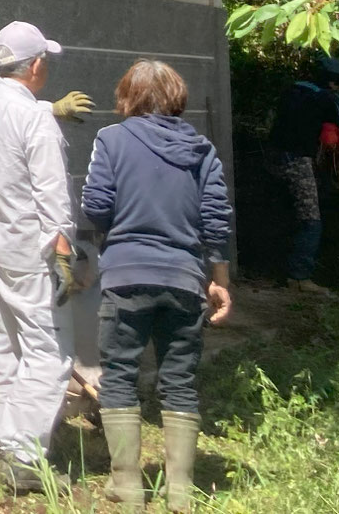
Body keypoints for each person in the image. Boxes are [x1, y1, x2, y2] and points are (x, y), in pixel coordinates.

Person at [81, 60, 233, 510]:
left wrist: (122, 231)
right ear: (176, 98)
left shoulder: (111, 139)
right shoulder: (202, 150)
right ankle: (181, 491)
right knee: (179, 381)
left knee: (120, 376)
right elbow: (216, 219)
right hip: (185, 280)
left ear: (127, 97)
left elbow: (95, 204)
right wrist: (219, 280)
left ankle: (127, 487)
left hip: (126, 276)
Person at [0, 20, 80, 494]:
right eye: (45, 62)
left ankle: (6, 436)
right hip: (32, 249)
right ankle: (23, 456)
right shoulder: (36, 119)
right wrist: (64, 253)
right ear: (35, 65)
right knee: (50, 351)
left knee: (5, 340)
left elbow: (7, 131)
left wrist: (46, 110)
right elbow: (51, 191)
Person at [266, 54, 339, 290]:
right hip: (297, 161)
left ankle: (275, 265)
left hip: (272, 157)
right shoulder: (329, 99)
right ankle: (300, 277)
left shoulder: (291, 90)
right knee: (311, 220)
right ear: (335, 82)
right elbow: (335, 138)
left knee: (285, 212)